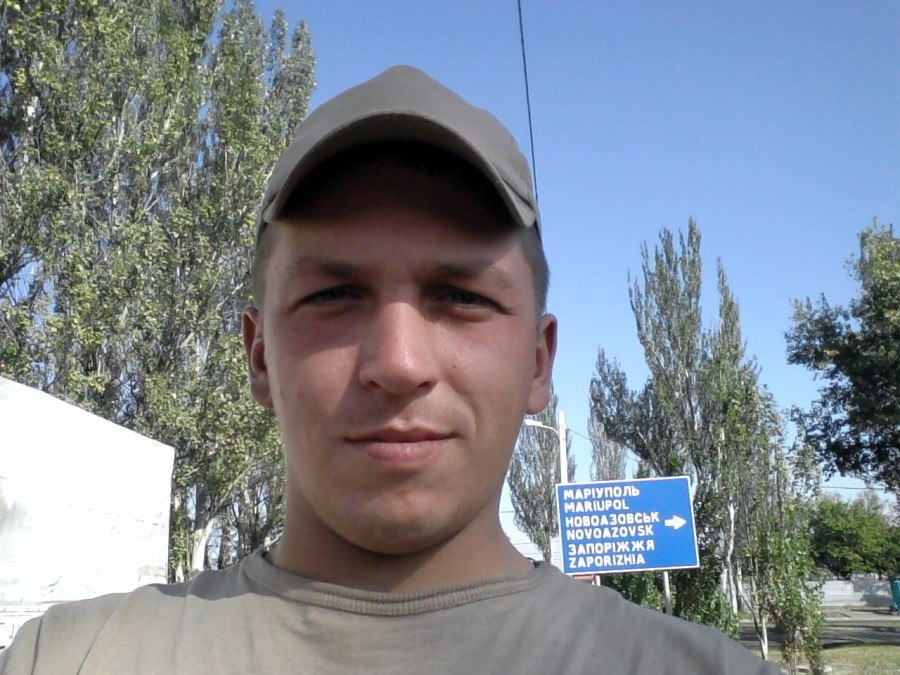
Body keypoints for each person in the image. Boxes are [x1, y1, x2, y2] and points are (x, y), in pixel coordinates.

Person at [0, 66, 778, 674]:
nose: (399, 363)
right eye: (334, 295)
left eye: (462, 297)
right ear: (259, 355)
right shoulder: (70, 658)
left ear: (539, 362)